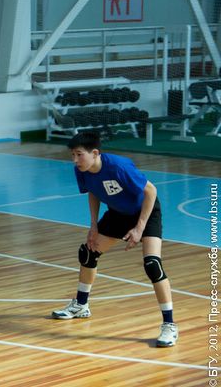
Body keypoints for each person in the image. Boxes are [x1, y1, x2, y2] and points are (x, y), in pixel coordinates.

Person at [52, 131, 178, 348]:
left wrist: (139, 228)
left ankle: (169, 325)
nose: (75, 160)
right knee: (88, 252)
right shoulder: (81, 170)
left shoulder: (119, 167)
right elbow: (93, 191)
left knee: (152, 265)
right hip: (118, 214)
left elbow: (151, 191)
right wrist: (93, 225)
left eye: (79, 154)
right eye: (73, 155)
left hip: (145, 213)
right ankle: (81, 305)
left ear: (95, 153)